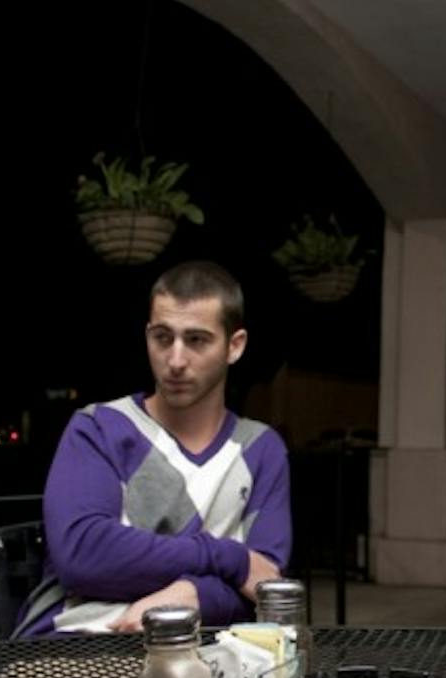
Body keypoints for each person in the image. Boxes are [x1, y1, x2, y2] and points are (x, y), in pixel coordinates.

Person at [15, 261, 290, 636]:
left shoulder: (261, 449)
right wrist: (228, 559)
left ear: (234, 346)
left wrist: (193, 595)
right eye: (163, 338)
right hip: (72, 646)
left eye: (196, 340)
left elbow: (266, 587)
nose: (175, 361)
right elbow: (82, 554)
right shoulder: (98, 428)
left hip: (196, 655)